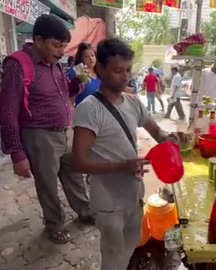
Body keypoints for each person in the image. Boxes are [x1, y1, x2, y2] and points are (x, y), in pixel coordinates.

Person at [72, 38, 174, 270]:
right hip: (108, 202)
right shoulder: (89, 109)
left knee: (127, 250)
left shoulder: (132, 102)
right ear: (99, 70)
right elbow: (78, 161)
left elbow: (157, 131)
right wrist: (122, 166)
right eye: (118, 70)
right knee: (112, 258)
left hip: (133, 195)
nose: (125, 76)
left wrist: (171, 138)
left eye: (128, 70)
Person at [0, 14, 92, 244]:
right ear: (38, 40)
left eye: (63, 46)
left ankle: (85, 211)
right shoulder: (18, 65)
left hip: (64, 132)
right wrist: (17, 154)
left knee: (74, 175)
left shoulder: (56, 65)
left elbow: (63, 95)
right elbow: (8, 111)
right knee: (48, 185)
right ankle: (54, 224)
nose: (61, 51)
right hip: (39, 136)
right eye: (56, 45)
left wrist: (76, 84)